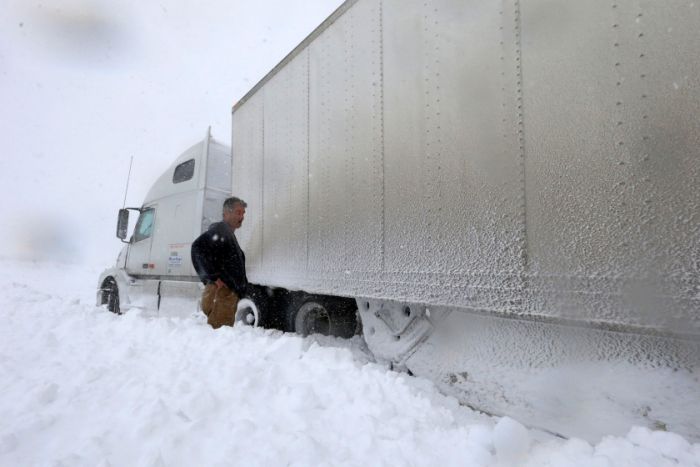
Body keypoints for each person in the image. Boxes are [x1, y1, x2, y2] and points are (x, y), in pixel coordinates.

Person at [191, 197, 248, 329]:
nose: (242, 216)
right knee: (219, 334)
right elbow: (197, 248)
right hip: (222, 293)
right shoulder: (220, 231)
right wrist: (213, 277)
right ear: (226, 214)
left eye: (243, 213)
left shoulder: (227, 234)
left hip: (226, 294)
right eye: (238, 212)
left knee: (221, 335)